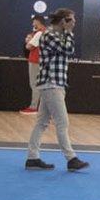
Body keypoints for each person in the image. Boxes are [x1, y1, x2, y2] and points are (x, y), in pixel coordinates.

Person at [25, 9, 89, 172]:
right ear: (63, 21)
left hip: (53, 84)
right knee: (62, 122)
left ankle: (32, 157)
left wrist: (67, 33)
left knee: (42, 122)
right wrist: (69, 33)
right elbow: (68, 50)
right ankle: (71, 158)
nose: (74, 23)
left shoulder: (54, 35)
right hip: (52, 84)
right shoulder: (50, 35)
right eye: (71, 20)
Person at [22, 15, 48, 114]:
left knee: (34, 84)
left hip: (35, 61)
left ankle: (33, 107)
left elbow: (29, 46)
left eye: (34, 22)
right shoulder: (43, 32)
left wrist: (28, 40)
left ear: (37, 21)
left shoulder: (39, 33)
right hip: (40, 61)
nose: (33, 24)